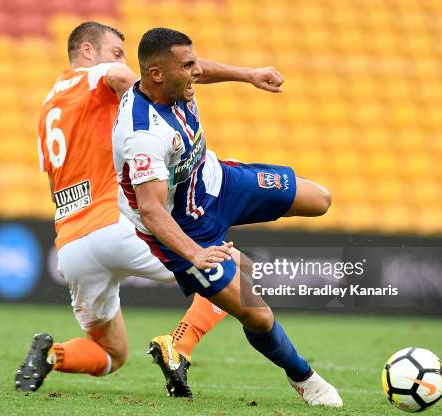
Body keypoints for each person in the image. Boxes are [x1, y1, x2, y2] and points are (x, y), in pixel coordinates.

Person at [15, 21, 286, 396]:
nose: (122, 60)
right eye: (115, 52)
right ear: (88, 51)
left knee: (111, 353)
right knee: (239, 272)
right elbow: (128, 81)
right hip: (117, 222)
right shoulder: (98, 74)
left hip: (73, 244)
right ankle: (180, 346)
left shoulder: (49, 108)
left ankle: (51, 357)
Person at [112, 28, 343, 407]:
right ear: (157, 74)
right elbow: (152, 210)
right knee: (260, 315)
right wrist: (195, 253)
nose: (196, 72)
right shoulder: (143, 135)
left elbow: (201, 68)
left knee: (320, 199)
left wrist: (248, 74)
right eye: (187, 66)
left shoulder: (172, 83)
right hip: (185, 227)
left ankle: (188, 332)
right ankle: (306, 379)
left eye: (193, 62)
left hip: (217, 181)